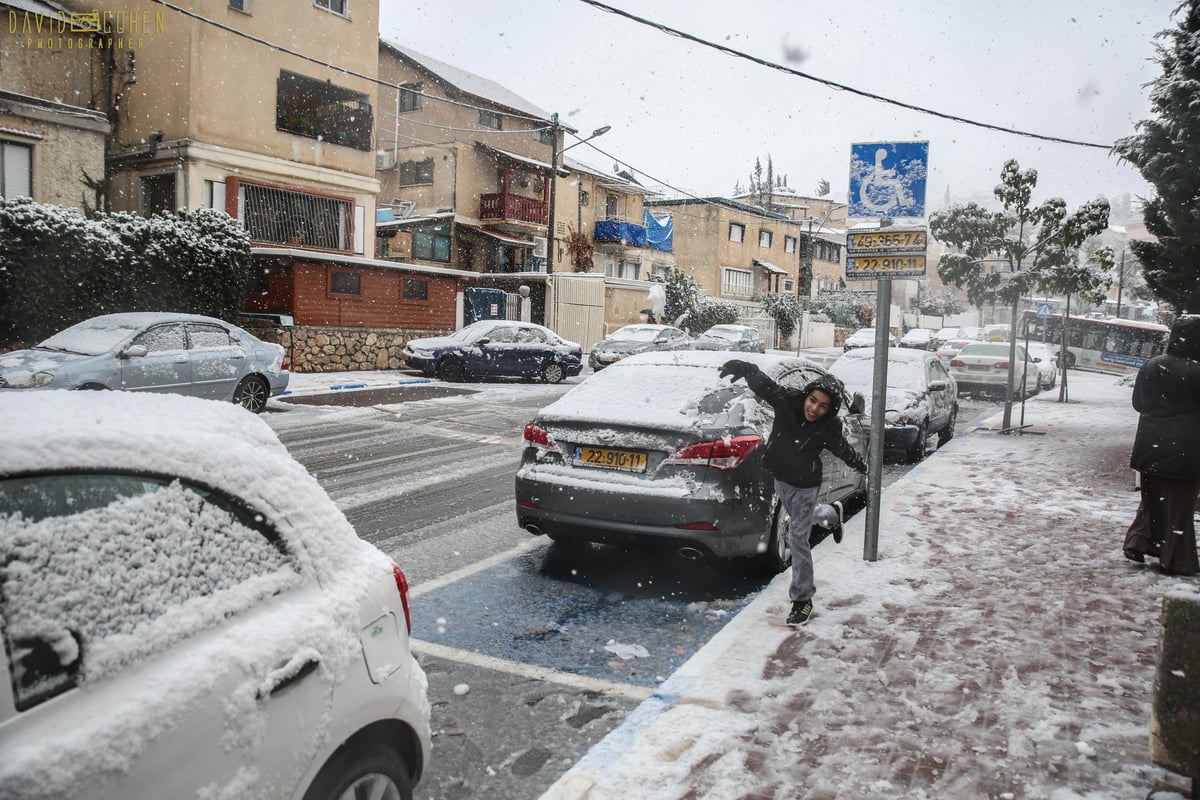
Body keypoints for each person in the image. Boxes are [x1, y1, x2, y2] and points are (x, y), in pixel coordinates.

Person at [719, 359, 868, 626]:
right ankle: (832, 514)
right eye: (813, 400)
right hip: (781, 477)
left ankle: (802, 598)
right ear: (806, 395)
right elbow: (766, 387)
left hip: (806, 485)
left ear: (830, 410)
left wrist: (858, 464)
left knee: (797, 537)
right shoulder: (788, 401)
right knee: (803, 519)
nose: (815, 408)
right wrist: (749, 370)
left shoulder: (828, 427)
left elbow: (841, 448)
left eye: (823, 406)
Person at [1123, 316, 1200, 575]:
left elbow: (1138, 404)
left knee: (1152, 499)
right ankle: (1176, 558)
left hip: (1150, 445)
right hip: (1187, 451)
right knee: (1180, 505)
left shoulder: (1152, 366)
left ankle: (1139, 540)